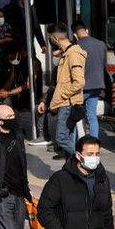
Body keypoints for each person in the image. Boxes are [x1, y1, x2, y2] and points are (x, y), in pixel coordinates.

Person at [38, 136, 115, 229]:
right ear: (79, 156)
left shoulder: (102, 179)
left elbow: (107, 211)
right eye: (90, 154)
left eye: (97, 154)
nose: (94, 157)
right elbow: (44, 210)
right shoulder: (60, 179)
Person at [38, 23, 85, 159]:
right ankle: (72, 170)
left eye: (49, 38)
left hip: (68, 104)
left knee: (62, 138)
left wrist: (63, 95)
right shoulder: (67, 54)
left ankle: (84, 159)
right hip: (65, 103)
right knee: (68, 138)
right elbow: (58, 83)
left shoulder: (74, 54)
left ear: (54, 39)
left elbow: (79, 82)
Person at [72, 21, 107, 139]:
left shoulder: (75, 47)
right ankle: (94, 142)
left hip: (81, 87)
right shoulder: (101, 44)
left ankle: (78, 142)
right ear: (87, 30)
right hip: (97, 84)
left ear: (75, 35)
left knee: (76, 115)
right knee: (92, 115)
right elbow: (104, 64)